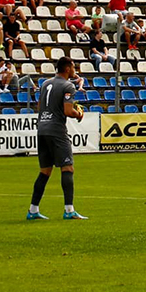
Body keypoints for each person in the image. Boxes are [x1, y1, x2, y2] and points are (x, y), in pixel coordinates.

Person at [27, 57, 87, 221]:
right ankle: (69, 210)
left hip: (42, 128)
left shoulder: (46, 83)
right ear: (67, 68)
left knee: (45, 171)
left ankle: (33, 210)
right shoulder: (68, 86)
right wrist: (79, 114)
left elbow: (40, 106)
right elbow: (68, 111)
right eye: (73, 67)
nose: (74, 70)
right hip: (56, 130)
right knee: (67, 168)